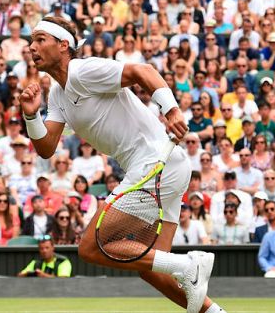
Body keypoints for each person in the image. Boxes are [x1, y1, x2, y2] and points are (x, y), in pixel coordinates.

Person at [20, 17, 219, 313]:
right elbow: (47, 148)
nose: (32, 47)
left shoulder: (83, 70)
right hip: (169, 167)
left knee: (91, 246)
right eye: (30, 41)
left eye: (39, 40)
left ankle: (189, 264)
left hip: (155, 163)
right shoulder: (58, 93)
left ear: (63, 45)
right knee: (151, 267)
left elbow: (143, 70)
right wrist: (31, 116)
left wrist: (172, 110)